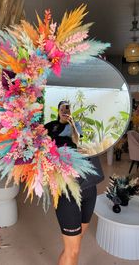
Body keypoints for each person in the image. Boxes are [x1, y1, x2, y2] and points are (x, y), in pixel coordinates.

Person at [45, 101, 98, 265]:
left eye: (67, 108)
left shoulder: (75, 126)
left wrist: (74, 125)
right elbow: (42, 151)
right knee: (73, 250)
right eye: (62, 108)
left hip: (88, 183)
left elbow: (79, 141)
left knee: (75, 244)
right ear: (58, 110)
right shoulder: (49, 126)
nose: (65, 110)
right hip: (65, 184)